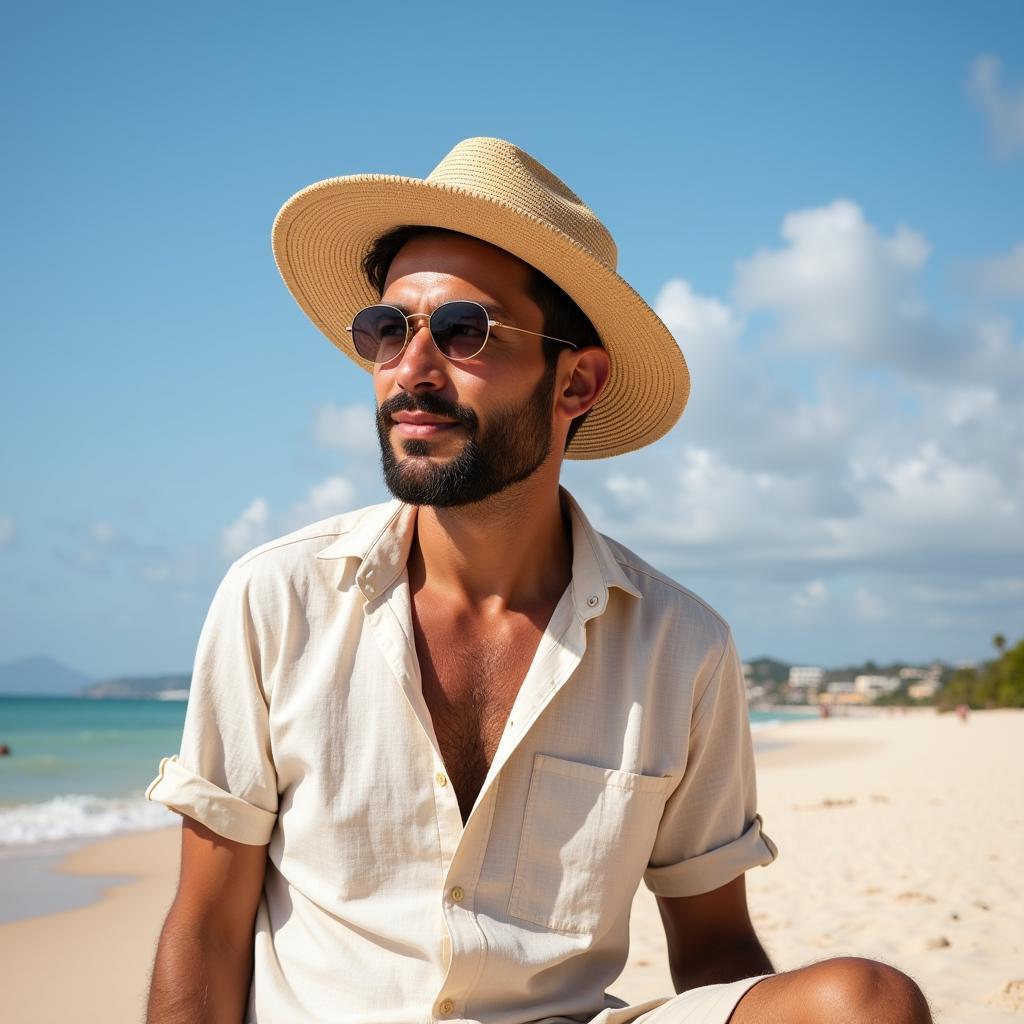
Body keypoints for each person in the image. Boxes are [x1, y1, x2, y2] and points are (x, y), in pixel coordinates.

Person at [145, 138, 932, 1023]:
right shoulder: (275, 600)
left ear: (578, 380)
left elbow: (714, 950)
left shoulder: (681, 647)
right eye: (387, 330)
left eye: (463, 332)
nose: (411, 369)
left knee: (866, 1003)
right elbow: (208, 923)